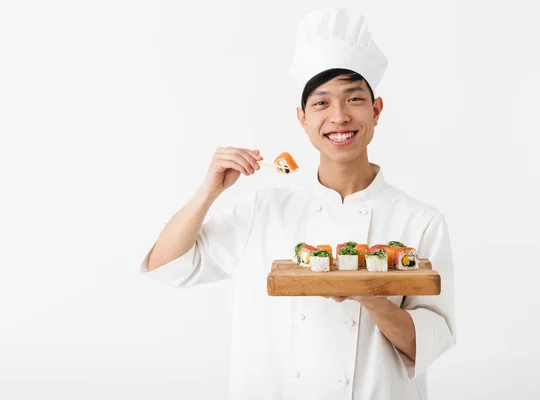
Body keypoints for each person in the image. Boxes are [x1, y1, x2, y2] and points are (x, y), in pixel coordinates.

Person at [140, 7, 456, 400]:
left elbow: (428, 343)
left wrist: (372, 297)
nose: (339, 117)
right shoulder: (262, 209)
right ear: (302, 119)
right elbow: (166, 267)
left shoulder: (420, 220)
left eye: (354, 98)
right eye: (321, 103)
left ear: (376, 111)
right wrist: (209, 190)